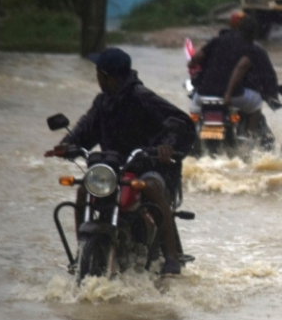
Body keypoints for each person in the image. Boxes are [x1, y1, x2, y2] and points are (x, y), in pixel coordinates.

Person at [50, 47, 197, 275]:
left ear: (105, 76)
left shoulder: (143, 98)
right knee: (82, 191)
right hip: (111, 169)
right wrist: (69, 144)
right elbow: (86, 128)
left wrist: (167, 145)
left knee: (152, 187)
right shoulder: (102, 103)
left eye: (98, 73)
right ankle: (82, 251)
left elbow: (182, 123)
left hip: (147, 166)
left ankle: (171, 256)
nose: (97, 77)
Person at [187, 14, 280, 142]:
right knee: (256, 103)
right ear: (254, 32)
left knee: (194, 109)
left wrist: (191, 64)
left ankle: (191, 136)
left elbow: (196, 58)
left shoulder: (217, 40)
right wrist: (228, 94)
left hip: (204, 93)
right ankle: (248, 138)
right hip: (232, 97)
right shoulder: (251, 48)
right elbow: (241, 69)